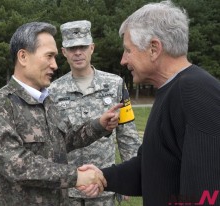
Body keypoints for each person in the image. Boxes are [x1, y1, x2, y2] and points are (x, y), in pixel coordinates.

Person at [78, 1, 220, 205]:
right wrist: (103, 176)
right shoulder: (172, 90)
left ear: (154, 48)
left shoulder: (195, 91)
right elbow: (152, 167)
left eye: (128, 50)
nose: (123, 61)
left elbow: (207, 190)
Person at [0, 22, 123, 206]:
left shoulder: (47, 102)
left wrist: (99, 125)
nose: (55, 65)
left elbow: (67, 139)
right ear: (23, 56)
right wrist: (76, 176)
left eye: (55, 57)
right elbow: (16, 165)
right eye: (49, 56)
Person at [48, 20, 141, 206]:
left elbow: (127, 134)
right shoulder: (52, 90)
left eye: (82, 46)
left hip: (103, 183)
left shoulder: (115, 84)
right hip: (68, 188)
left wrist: (129, 179)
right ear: (64, 52)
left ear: (92, 48)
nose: (78, 52)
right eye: (72, 48)